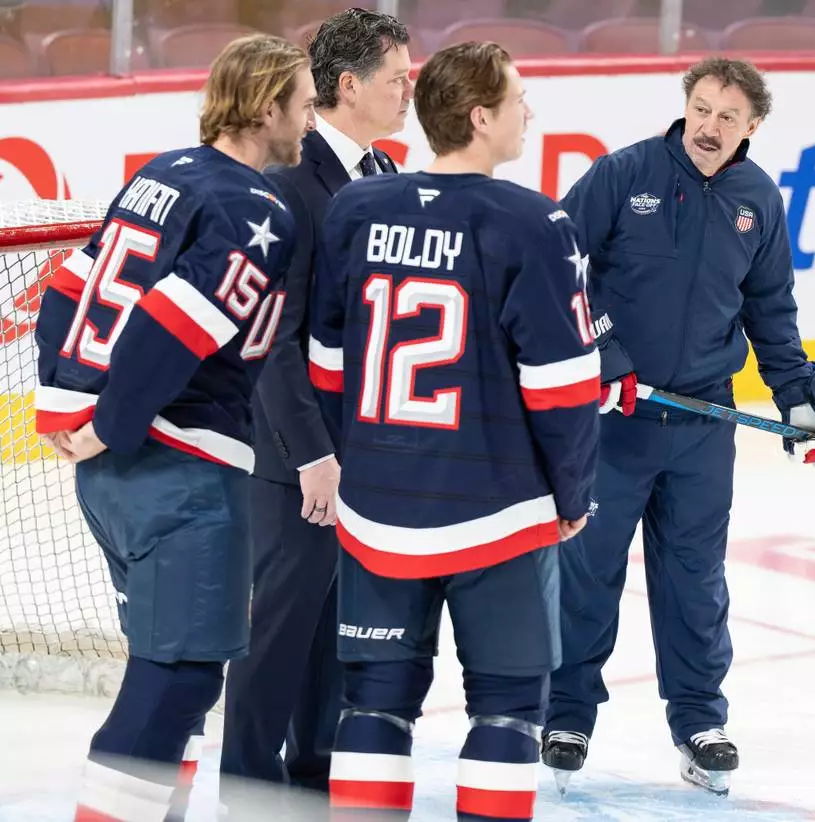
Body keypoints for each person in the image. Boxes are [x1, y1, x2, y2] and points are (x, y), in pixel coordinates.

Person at [540, 57, 815, 797]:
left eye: (728, 117)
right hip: (615, 419)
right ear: (685, 106)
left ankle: (699, 722)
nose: (710, 127)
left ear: (753, 128)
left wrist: (797, 394)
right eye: (703, 109)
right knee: (589, 570)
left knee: (694, 578)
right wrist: (606, 354)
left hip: (703, 422)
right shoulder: (623, 175)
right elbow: (560, 265)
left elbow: (770, 308)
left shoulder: (757, 200)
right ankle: (566, 714)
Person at [307, 41, 600, 821]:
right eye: (516, 98)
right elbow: (564, 388)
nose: (527, 111)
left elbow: (328, 361)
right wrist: (573, 495)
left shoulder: (358, 208)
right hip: (497, 513)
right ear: (480, 116)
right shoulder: (536, 223)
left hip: (375, 512)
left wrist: (361, 459)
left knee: (373, 701)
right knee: (507, 707)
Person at [32, 34, 314, 822]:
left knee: (169, 668)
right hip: (178, 469)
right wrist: (115, 424)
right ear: (266, 108)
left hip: (120, 482)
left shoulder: (162, 173)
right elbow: (172, 322)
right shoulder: (257, 207)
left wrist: (67, 406)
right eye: (304, 100)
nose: (310, 117)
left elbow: (64, 289)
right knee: (181, 675)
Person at [220, 8, 412, 801]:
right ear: (347, 85)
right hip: (296, 461)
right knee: (278, 636)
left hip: (364, 453)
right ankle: (246, 790)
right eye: (397, 78)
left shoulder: (387, 177)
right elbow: (273, 339)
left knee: (339, 633)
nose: (409, 91)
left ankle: (310, 780)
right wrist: (312, 454)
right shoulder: (288, 186)